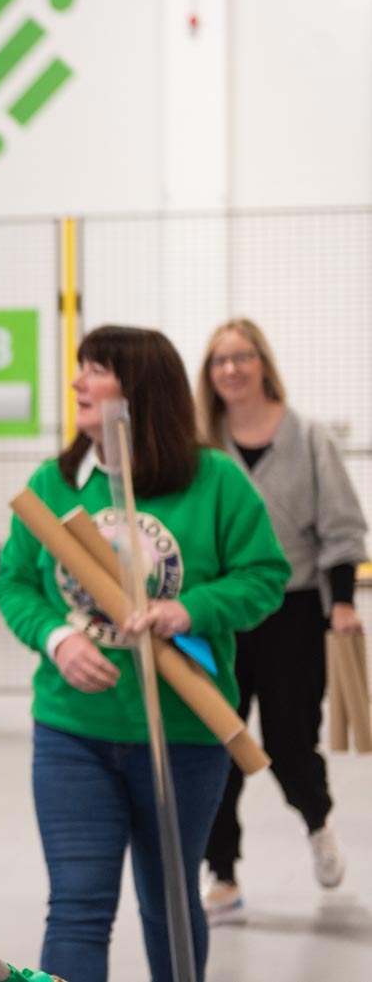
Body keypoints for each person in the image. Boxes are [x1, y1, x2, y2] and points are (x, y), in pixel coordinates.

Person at [0, 325, 290, 982]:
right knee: (77, 904)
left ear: (141, 392)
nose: (76, 381)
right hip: (73, 731)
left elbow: (265, 574)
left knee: (170, 904)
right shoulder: (56, 480)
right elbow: (14, 583)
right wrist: (58, 637)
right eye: (79, 368)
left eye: (95, 370)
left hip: (184, 731)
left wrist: (191, 609)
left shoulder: (214, 481)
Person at [196, 318, 368, 922]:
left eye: (242, 357)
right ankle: (222, 872)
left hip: (294, 609)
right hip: (219, 613)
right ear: (208, 373)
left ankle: (318, 820)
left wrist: (342, 602)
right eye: (220, 360)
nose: (232, 369)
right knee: (219, 739)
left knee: (291, 741)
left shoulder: (308, 437)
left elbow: (343, 525)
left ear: (263, 363)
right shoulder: (201, 444)